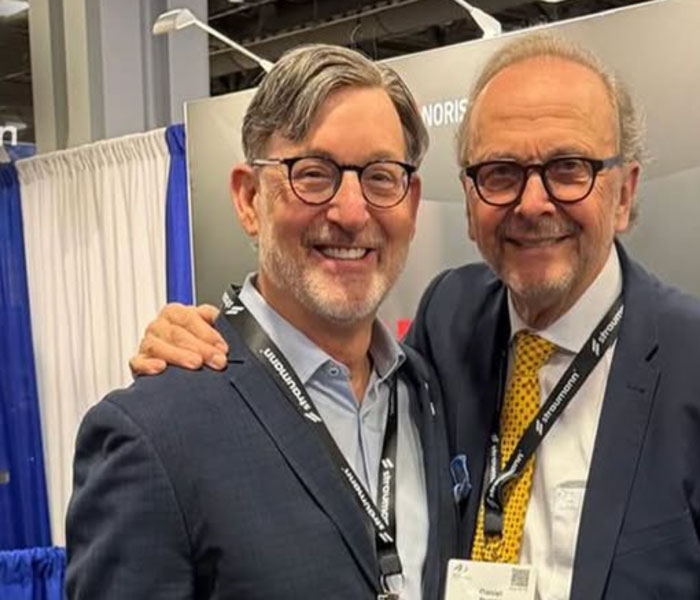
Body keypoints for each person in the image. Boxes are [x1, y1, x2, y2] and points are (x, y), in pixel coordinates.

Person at [130, 33, 700, 599]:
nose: (533, 204)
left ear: (623, 194)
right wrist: (210, 338)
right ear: (470, 202)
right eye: (500, 172)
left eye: (569, 168)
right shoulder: (449, 321)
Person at [66, 44, 456, 600]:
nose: (351, 212)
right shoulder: (152, 434)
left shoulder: (430, 395)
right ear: (249, 199)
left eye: (380, 176)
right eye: (313, 174)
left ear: (410, 203)